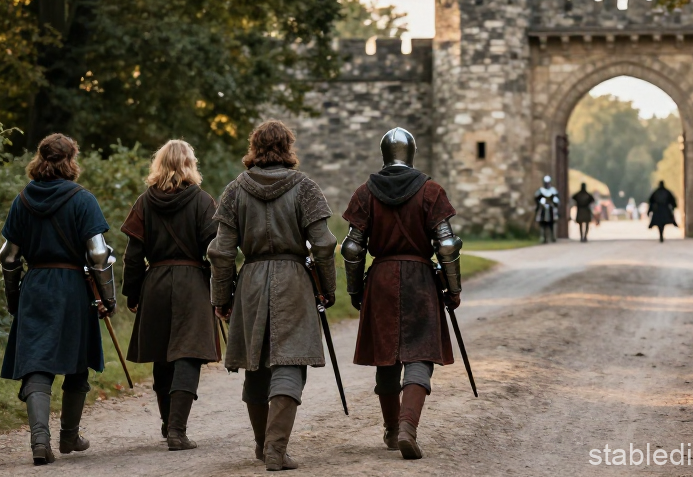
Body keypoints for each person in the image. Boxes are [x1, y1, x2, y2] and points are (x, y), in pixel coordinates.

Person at [207, 120, 338, 471]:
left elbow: (221, 251)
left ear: (254, 147)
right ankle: (275, 450)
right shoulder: (305, 187)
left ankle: (263, 446)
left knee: (257, 362)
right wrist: (328, 288)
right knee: (289, 361)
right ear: (287, 147)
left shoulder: (235, 190)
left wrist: (222, 296)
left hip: (250, 280)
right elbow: (324, 244)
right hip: (294, 279)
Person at [341, 127, 461, 461]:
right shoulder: (430, 190)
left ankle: (393, 429)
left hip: (381, 278)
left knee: (387, 355)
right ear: (411, 153)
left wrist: (355, 289)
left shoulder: (366, 192)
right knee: (419, 353)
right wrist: (453, 288)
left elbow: (352, 247)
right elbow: (447, 244)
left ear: (384, 153)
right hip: (420, 279)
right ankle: (408, 427)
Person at [0, 134, 115, 465]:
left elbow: (8, 258)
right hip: (72, 288)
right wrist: (109, 298)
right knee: (76, 360)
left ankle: (39, 441)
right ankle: (68, 436)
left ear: (40, 159)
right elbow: (98, 253)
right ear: (71, 160)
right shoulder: (82, 199)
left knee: (37, 361)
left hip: (34, 286)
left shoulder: (22, 200)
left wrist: (13, 299)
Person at [120, 140, 220, 451]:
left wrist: (132, 292)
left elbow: (133, 256)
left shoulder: (144, 202)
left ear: (159, 165)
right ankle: (177, 431)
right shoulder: (204, 202)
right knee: (188, 355)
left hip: (157, 283)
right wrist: (222, 291)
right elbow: (216, 251)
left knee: (164, 357)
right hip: (192, 285)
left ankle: (168, 425)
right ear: (190, 165)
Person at [533, 175, 560, 243]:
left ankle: (553, 236)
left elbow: (556, 199)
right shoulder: (541, 190)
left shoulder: (553, 190)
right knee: (542, 224)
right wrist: (540, 203)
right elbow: (536, 198)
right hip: (543, 209)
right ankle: (543, 237)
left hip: (551, 209)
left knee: (552, 223)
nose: (547, 184)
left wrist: (554, 202)